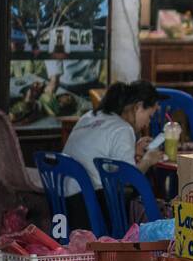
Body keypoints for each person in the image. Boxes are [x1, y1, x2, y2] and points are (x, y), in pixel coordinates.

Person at [61, 80, 166, 231]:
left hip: (63, 198)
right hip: (88, 206)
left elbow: (99, 149)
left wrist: (133, 149)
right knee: (136, 194)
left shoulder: (89, 116)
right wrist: (148, 161)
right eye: (149, 116)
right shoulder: (122, 129)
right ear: (138, 107)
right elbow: (127, 180)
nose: (148, 123)